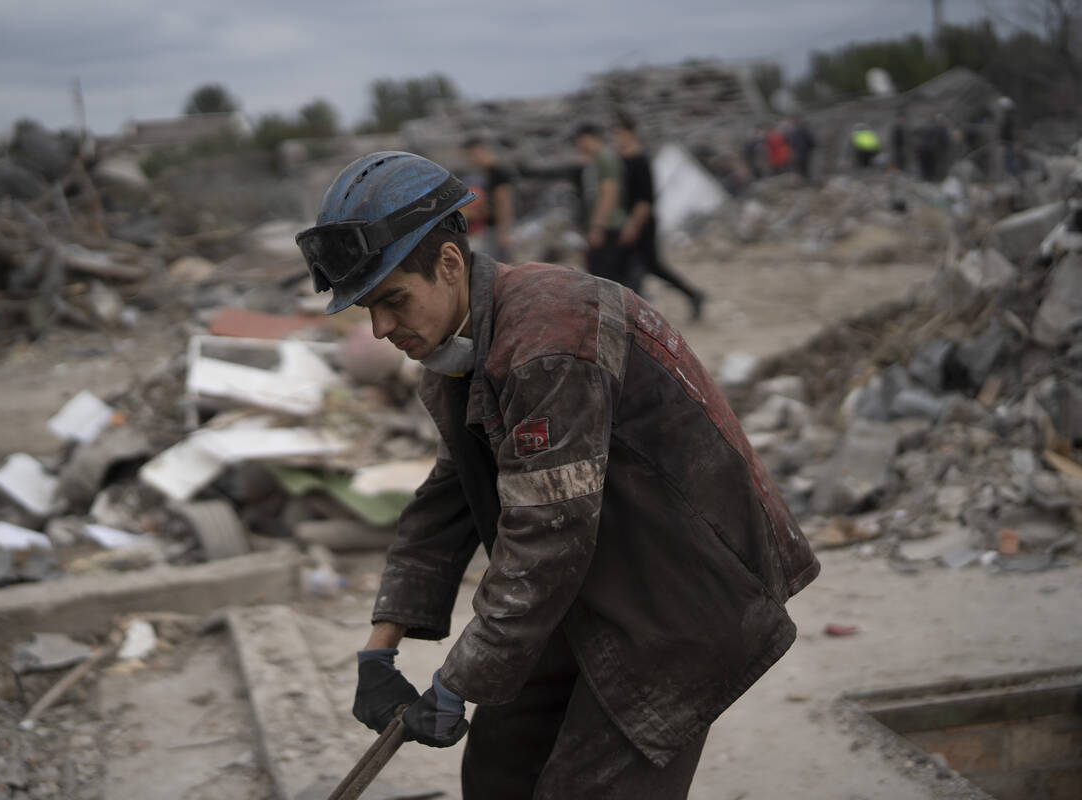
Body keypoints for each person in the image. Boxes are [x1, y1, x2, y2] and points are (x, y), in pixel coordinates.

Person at [295, 151, 820, 798]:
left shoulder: (550, 339)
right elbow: (447, 498)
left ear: (450, 264)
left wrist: (458, 679)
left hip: (682, 595)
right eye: (367, 309)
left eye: (393, 301)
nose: (379, 329)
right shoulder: (459, 355)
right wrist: (380, 649)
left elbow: (547, 537)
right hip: (596, 582)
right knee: (498, 770)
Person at [611, 115, 706, 319]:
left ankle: (691, 295)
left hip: (641, 223)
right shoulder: (620, 160)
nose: (616, 138)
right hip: (627, 222)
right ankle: (689, 296)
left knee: (646, 266)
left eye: (619, 133)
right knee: (638, 267)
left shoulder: (640, 160)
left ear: (630, 133)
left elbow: (645, 199)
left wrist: (633, 226)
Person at [573, 122, 631, 286]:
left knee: (607, 277)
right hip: (602, 225)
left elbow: (609, 194)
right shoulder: (595, 160)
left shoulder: (606, 158)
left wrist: (597, 226)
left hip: (609, 225)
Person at [464, 136, 517, 262]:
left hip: (498, 227)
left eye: (473, 155)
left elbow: (504, 201)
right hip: (491, 226)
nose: (471, 159)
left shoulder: (498, 172)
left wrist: (504, 231)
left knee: (501, 263)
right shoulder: (487, 172)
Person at [785, 117, 816, 181]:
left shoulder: (793, 132)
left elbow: (790, 143)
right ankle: (806, 179)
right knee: (804, 166)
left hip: (799, 151)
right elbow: (810, 140)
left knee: (801, 166)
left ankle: (804, 180)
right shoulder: (802, 130)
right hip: (804, 151)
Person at [890, 109, 908, 174]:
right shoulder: (897, 127)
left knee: (902, 160)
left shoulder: (902, 127)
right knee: (898, 159)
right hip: (898, 148)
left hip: (901, 147)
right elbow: (894, 139)